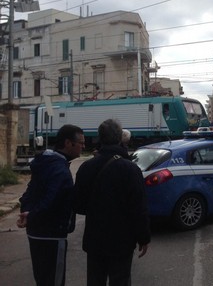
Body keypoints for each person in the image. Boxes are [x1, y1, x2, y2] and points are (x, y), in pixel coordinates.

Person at [74, 119, 150, 285]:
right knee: (120, 280)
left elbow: (78, 205)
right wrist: (143, 238)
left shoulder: (86, 167)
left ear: (99, 139)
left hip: (94, 240)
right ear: (119, 139)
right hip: (122, 241)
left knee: (95, 280)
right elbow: (139, 208)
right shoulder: (131, 169)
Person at [17, 124, 85, 286]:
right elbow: (51, 200)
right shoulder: (60, 170)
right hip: (52, 235)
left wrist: (26, 212)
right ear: (68, 143)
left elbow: (30, 192)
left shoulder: (46, 163)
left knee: (42, 279)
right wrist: (31, 215)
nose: (84, 146)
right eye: (80, 143)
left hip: (36, 232)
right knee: (53, 281)